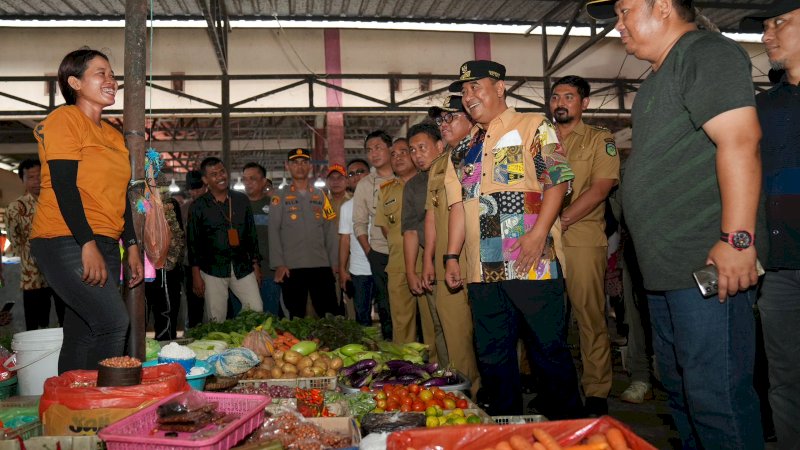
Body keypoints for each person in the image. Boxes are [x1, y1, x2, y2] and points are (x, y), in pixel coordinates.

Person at [588, 1, 766, 447]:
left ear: (663, 7)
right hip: (666, 272)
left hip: (705, 263)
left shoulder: (705, 52)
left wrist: (738, 240)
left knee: (716, 398)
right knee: (683, 394)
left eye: (626, 10)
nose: (619, 24)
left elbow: (741, 141)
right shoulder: (654, 85)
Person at [443, 60, 581, 418]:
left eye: (477, 87)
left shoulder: (534, 126)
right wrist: (452, 256)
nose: (469, 96)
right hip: (481, 272)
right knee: (493, 359)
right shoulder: (462, 149)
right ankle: (507, 433)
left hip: (530, 261)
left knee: (548, 354)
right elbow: (458, 206)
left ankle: (568, 432)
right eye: (464, 90)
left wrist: (538, 235)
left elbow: (559, 181)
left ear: (500, 88)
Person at [29, 48, 143, 373]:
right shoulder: (65, 120)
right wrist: (86, 243)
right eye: (100, 73)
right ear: (75, 82)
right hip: (65, 238)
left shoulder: (114, 135)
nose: (111, 80)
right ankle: (100, 408)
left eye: (111, 74)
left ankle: (71, 409)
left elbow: (121, 194)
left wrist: (131, 245)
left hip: (105, 240)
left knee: (82, 332)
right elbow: (64, 187)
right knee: (112, 321)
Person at [742, 2, 800, 446]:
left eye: (780, 22)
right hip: (779, 268)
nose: (767, 35)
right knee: (785, 380)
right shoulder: (763, 108)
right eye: (763, 27)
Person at [549, 75, 620, 416]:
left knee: (589, 316)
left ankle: (596, 390)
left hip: (580, 238)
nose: (560, 102)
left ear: (584, 103)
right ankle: (552, 385)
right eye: (555, 97)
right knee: (545, 317)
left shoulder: (598, 139)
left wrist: (559, 221)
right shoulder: (540, 141)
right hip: (540, 242)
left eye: (569, 96)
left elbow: (600, 188)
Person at [423, 95, 481, 391]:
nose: (443, 125)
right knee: (454, 332)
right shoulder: (439, 164)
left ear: (471, 117)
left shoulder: (484, 151)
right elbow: (432, 216)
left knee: (491, 332)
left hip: (484, 256)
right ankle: (468, 393)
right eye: (440, 120)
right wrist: (431, 260)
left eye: (451, 118)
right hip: (451, 261)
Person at [187, 157, 263, 322]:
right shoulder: (198, 206)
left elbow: (251, 234)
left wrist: (256, 265)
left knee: (256, 309)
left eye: (222, 171)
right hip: (213, 269)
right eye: (214, 174)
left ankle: (244, 343)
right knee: (216, 318)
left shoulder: (241, 200)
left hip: (242, 266)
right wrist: (196, 275)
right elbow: (193, 243)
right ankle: (224, 347)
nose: (220, 176)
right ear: (205, 180)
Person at [269, 148, 340, 318]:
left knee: (328, 313)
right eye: (295, 163)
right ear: (288, 166)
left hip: (321, 265)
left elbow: (330, 230)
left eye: (304, 162)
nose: (300, 167)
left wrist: (334, 262)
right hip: (292, 267)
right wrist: (279, 264)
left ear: (310, 166)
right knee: (296, 315)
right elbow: (273, 230)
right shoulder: (278, 196)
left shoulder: (322, 196)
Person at [403, 124, 449, 364]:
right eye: (412, 150)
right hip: (430, 263)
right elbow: (410, 231)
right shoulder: (413, 186)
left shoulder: (456, 172)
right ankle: (449, 378)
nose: (417, 155)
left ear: (440, 146)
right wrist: (412, 271)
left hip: (460, 257)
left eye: (422, 147)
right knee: (439, 324)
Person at [7, 158, 66, 330]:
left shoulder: (57, 202)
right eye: (31, 177)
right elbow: (14, 239)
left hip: (59, 271)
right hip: (32, 275)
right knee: (35, 324)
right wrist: (29, 254)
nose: (36, 181)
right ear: (23, 180)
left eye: (40, 176)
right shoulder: (15, 208)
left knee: (65, 319)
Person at [352, 131, 396, 339]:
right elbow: (359, 223)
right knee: (385, 304)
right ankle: (391, 347)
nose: (373, 153)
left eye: (378, 147)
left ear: (390, 148)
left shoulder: (404, 176)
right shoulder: (364, 185)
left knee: (412, 302)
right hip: (380, 252)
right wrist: (370, 252)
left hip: (410, 250)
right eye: (369, 150)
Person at [242, 161, 281, 316]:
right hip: (243, 273)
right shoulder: (237, 205)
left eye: (253, 178)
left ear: (264, 181)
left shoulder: (275, 204)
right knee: (244, 318)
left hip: (270, 271)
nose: (248, 183)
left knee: (269, 317)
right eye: (245, 179)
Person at [339, 159, 374, 326]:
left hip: (384, 266)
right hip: (359, 270)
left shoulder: (383, 197)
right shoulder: (346, 207)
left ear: (370, 174)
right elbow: (345, 240)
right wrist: (342, 270)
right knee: (362, 316)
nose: (356, 176)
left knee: (387, 311)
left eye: (360, 171)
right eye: (351, 174)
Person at [144, 195, 184, 340]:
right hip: (142, 268)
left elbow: (179, 236)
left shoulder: (171, 203)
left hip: (168, 270)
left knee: (167, 315)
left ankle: (165, 353)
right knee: (140, 315)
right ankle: (135, 354)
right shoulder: (139, 203)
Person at [182, 169, 206, 327]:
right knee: (194, 304)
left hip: (212, 264)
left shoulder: (214, 206)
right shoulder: (185, 209)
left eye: (198, 188)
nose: (195, 192)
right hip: (189, 263)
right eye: (192, 189)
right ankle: (194, 332)